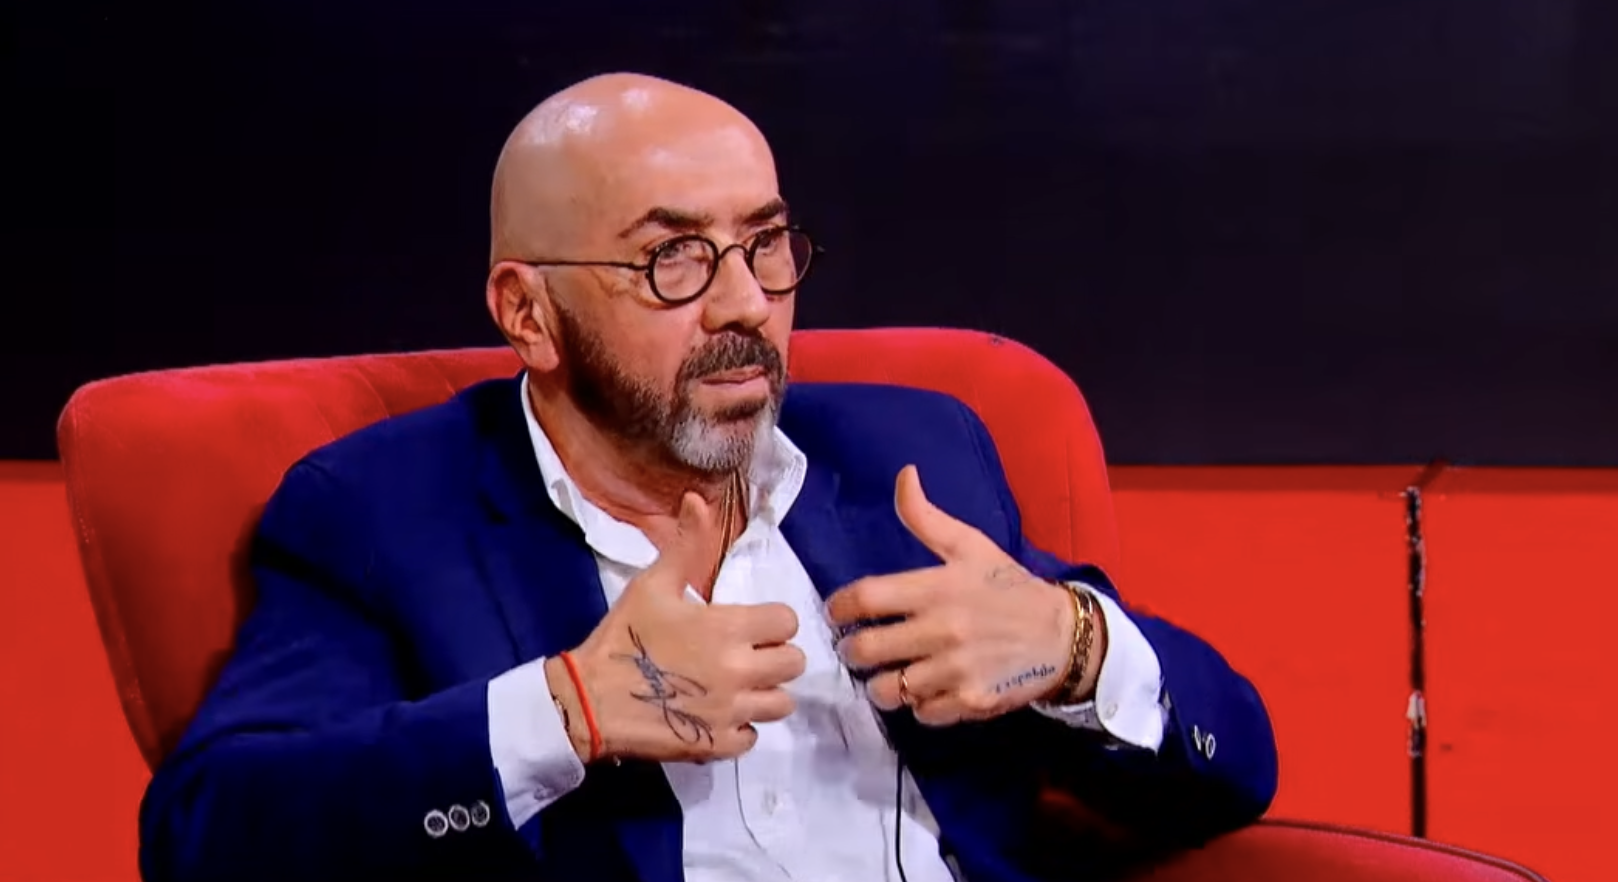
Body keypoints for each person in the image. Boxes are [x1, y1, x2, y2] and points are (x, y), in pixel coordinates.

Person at [138, 72, 1277, 882]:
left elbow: (1235, 765)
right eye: (671, 258)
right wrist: (565, 712)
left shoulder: (910, 463)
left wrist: (1075, 646)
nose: (744, 303)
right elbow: (207, 836)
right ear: (529, 313)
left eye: (765, 244)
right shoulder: (385, 513)